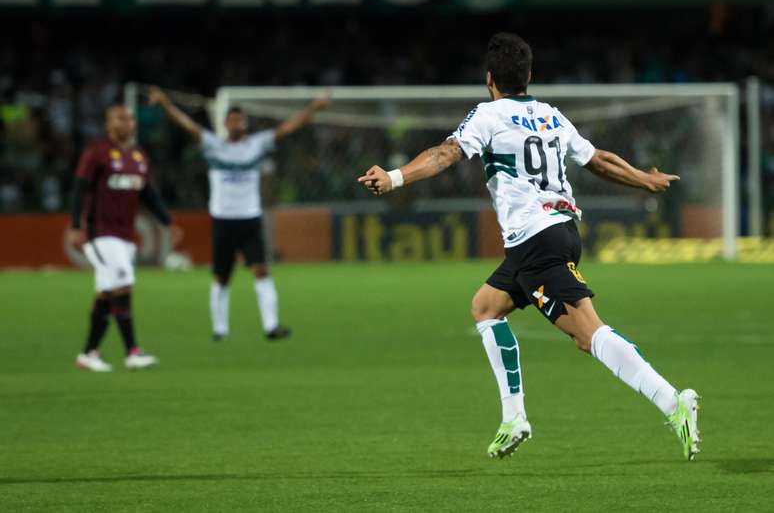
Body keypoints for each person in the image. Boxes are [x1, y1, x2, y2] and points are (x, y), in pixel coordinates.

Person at [357, 32, 700, 461]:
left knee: (588, 333)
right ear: (530, 75)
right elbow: (598, 159)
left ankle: (673, 401)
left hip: (536, 239)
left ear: (489, 79)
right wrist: (644, 179)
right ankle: (514, 417)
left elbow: (445, 154)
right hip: (553, 234)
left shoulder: (488, 115)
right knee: (486, 307)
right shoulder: (550, 114)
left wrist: (395, 177)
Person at [149, 86, 330, 341]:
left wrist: (313, 108)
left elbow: (288, 128)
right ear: (225, 124)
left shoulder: (257, 145)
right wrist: (166, 104)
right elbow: (188, 126)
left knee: (261, 270)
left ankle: (271, 326)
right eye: (232, 120)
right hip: (223, 219)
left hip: (249, 219)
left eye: (240, 120)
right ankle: (220, 330)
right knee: (221, 277)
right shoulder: (213, 146)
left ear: (245, 124)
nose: (236, 124)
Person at [68, 105, 174, 372]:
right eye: (121, 118)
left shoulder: (139, 156)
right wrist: (74, 226)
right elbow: (79, 190)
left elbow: (148, 194)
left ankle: (88, 353)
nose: (127, 122)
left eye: (130, 118)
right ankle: (132, 352)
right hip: (99, 233)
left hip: (125, 235)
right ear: (108, 124)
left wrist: (167, 222)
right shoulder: (97, 152)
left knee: (107, 291)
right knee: (124, 280)